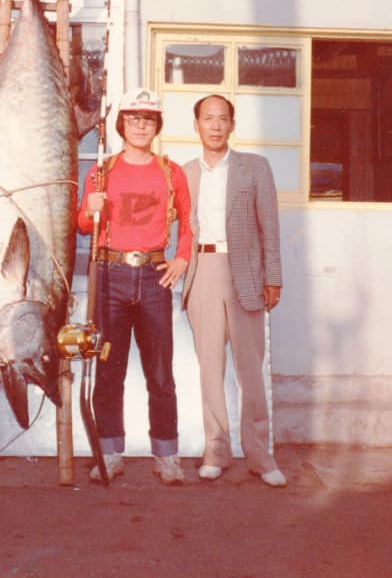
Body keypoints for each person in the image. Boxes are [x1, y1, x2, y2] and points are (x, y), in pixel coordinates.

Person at [77, 88, 193, 485]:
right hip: (110, 277)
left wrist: (182, 257)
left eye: (148, 119)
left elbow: (189, 222)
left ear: (157, 125)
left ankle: (167, 455)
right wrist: (89, 211)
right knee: (109, 371)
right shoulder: (102, 171)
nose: (140, 125)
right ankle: (109, 453)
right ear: (121, 124)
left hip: (153, 276)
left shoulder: (169, 171)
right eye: (133, 118)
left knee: (160, 372)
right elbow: (80, 224)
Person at [181, 93, 286, 487]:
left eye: (222, 119)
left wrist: (272, 276)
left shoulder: (255, 168)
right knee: (210, 369)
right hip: (202, 270)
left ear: (232, 124)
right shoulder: (185, 172)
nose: (215, 125)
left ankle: (260, 455)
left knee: (250, 370)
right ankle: (215, 450)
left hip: (244, 273)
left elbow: (270, 228)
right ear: (196, 125)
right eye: (208, 119)